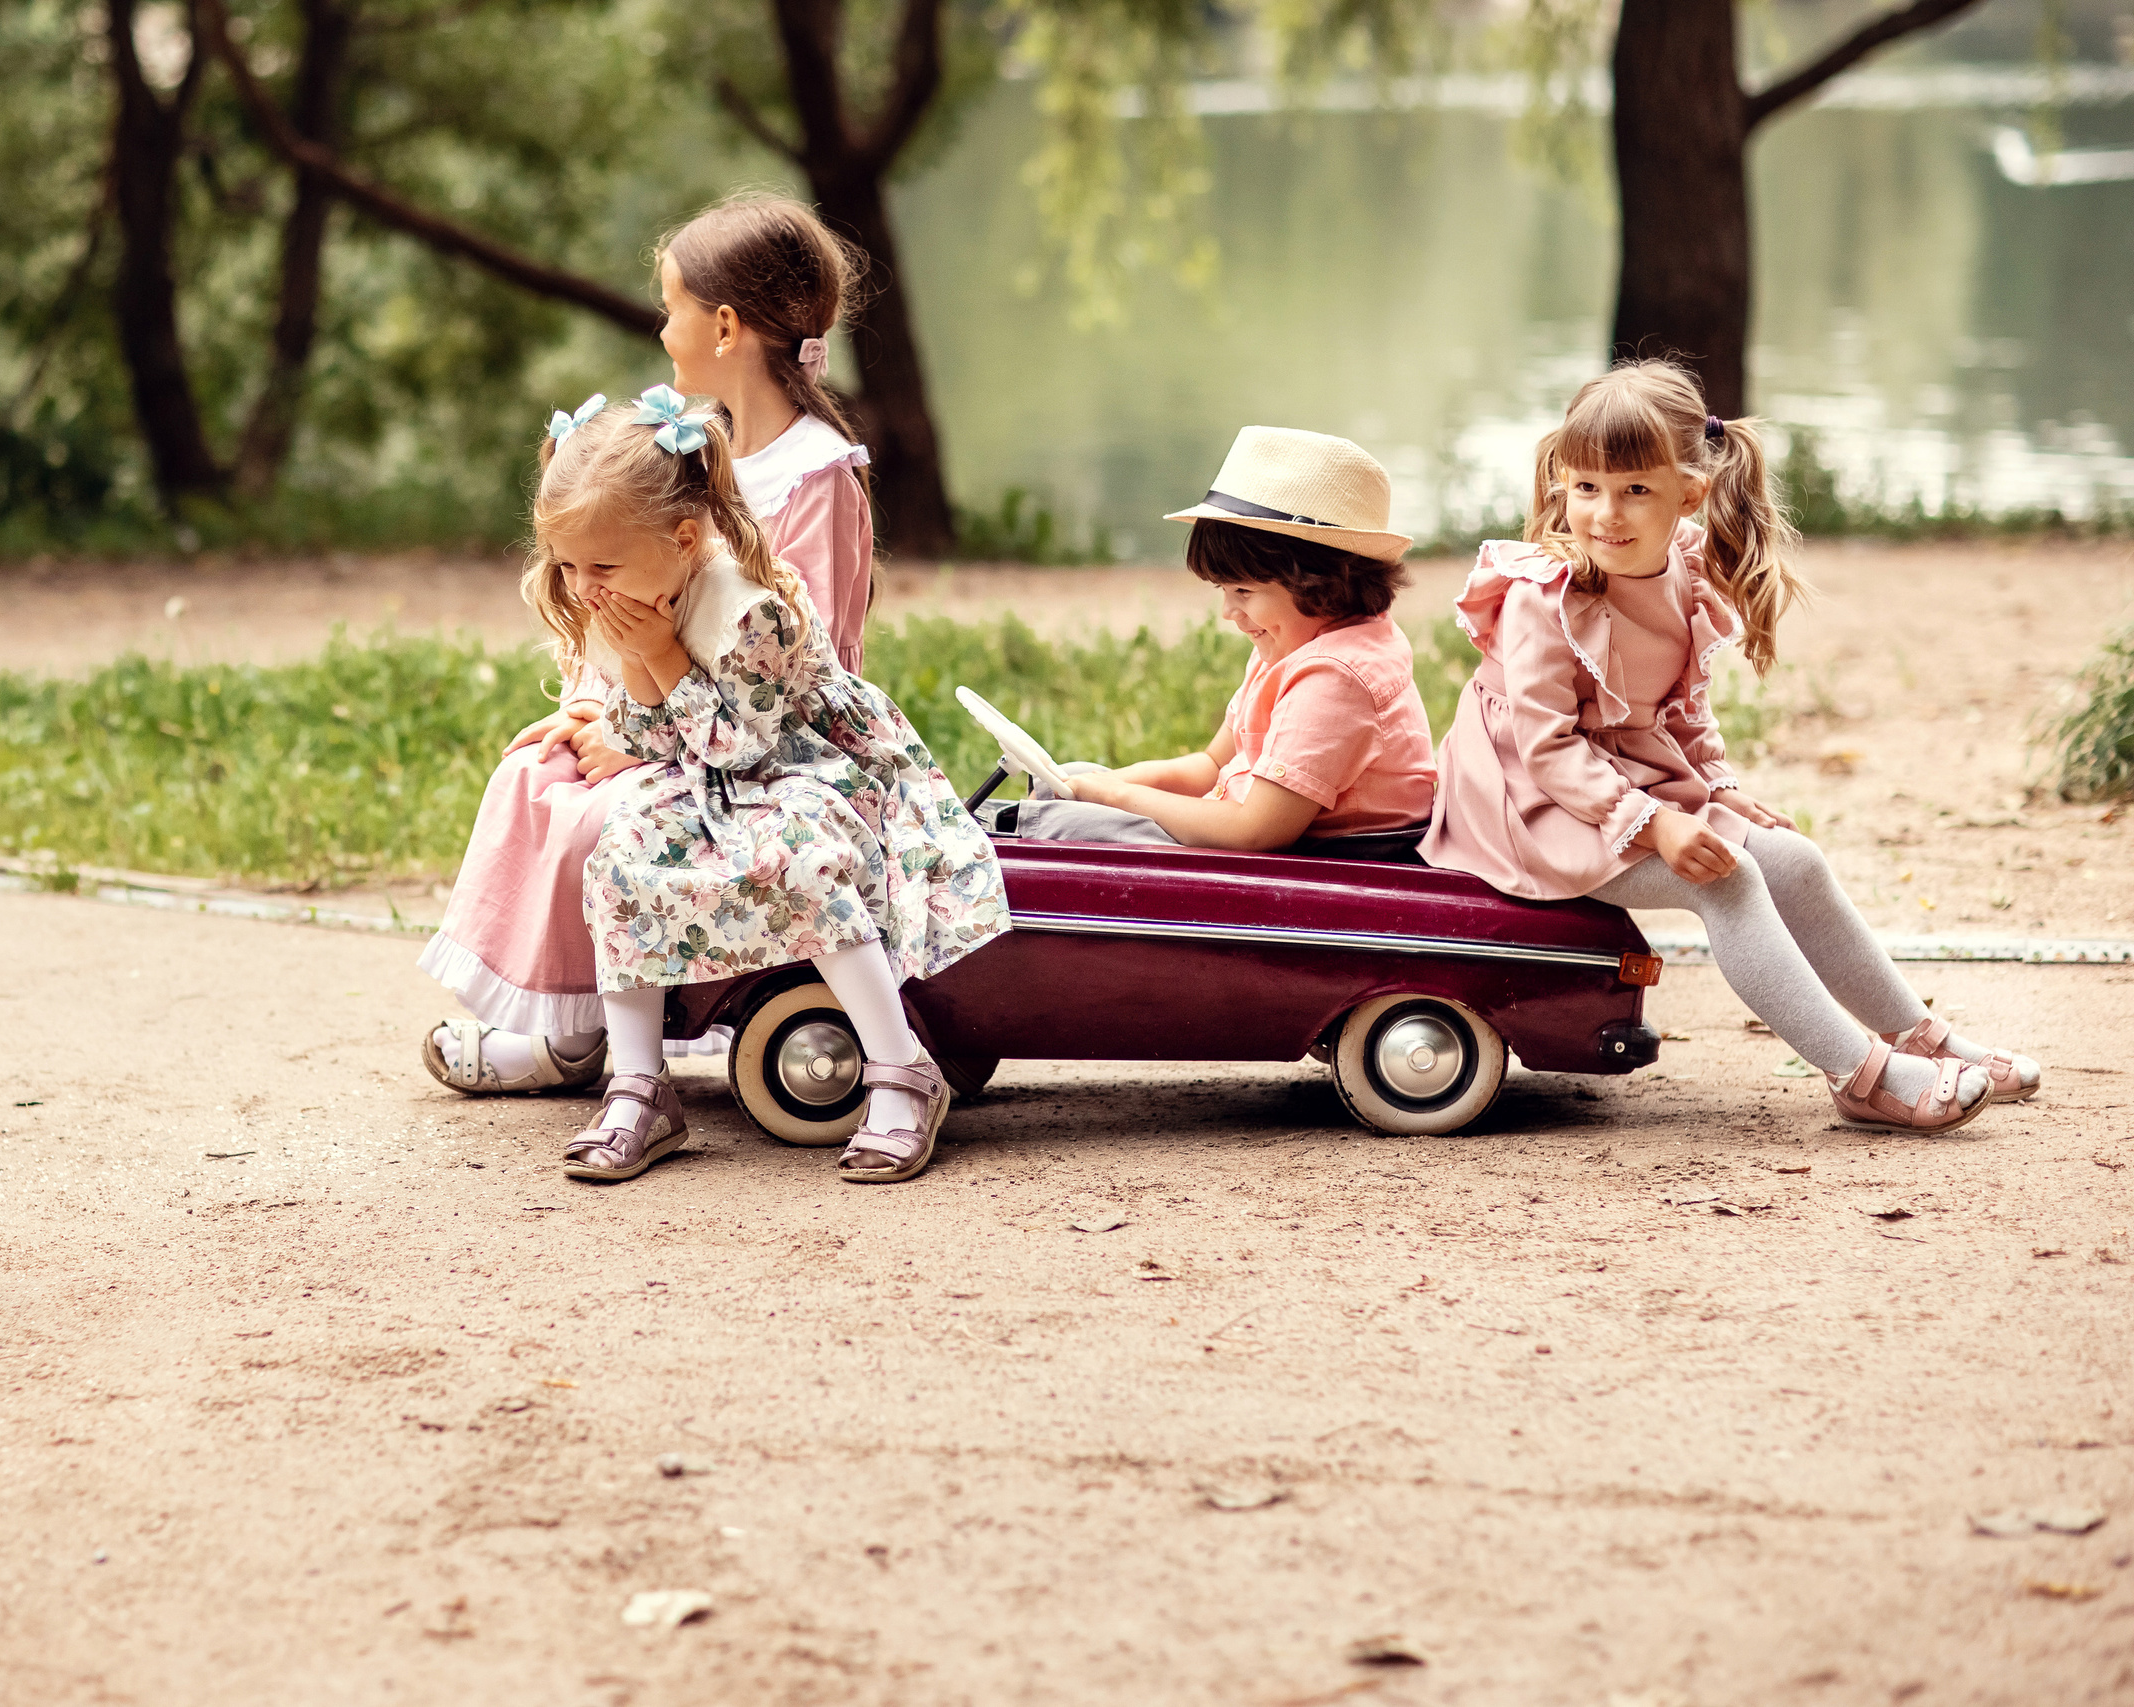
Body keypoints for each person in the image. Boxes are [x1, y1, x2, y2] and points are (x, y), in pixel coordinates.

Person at [1421, 359, 2040, 1133]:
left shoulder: (1683, 566)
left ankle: (1919, 1034)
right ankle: (1862, 1075)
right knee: (1729, 880)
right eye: (1585, 488)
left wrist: (1713, 786)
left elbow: (1680, 708)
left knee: (1795, 858)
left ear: (1690, 492)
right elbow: (1544, 750)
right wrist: (1658, 824)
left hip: (1624, 777)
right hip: (1527, 801)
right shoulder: (1544, 597)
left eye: (1634, 490)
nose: (1604, 515)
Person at [420, 194, 876, 1096]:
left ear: (725, 325)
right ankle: (556, 1021)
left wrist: (639, 738)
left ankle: (583, 1038)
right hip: (662, 708)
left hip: (755, 746)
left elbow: (790, 664)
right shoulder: (700, 449)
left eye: (671, 307)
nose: (663, 327)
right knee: (531, 778)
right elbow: (631, 595)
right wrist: (598, 705)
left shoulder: (816, 476)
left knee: (596, 817)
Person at [526, 391, 1007, 1184]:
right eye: (568, 565)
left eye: (600, 565)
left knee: (805, 859)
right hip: (712, 770)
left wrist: (663, 657)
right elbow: (650, 735)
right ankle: (640, 1086)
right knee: (619, 856)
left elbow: (740, 742)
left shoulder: (750, 609)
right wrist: (645, 659)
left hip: (805, 763)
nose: (582, 585)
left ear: (684, 538)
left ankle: (901, 1066)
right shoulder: (634, 597)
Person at [1007, 427, 1435, 850]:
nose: (1228, 613)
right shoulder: (1292, 642)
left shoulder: (1335, 680)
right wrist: (1103, 783)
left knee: (1063, 825)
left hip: (1305, 867)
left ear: (1320, 582)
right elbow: (1212, 764)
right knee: (1072, 778)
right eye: (1224, 591)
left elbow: (1253, 831)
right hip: (1247, 822)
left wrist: (1114, 797)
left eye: (1243, 592)